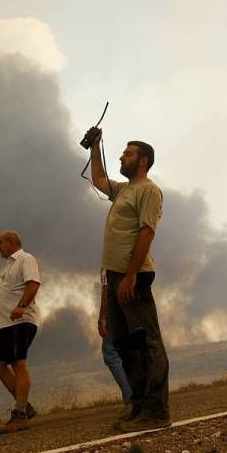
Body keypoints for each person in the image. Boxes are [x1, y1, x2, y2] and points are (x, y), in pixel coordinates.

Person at [89, 129, 170, 432]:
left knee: (148, 344)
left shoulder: (148, 190)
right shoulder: (123, 190)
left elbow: (147, 232)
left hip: (133, 275)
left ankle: (157, 411)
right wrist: (96, 147)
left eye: (128, 153)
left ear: (143, 161)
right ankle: (137, 404)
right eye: (122, 152)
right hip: (115, 276)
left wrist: (132, 274)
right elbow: (98, 180)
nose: (122, 156)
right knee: (125, 345)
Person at [0, 230, 41, 434]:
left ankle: (20, 415)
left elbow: (33, 284)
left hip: (20, 321)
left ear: (11, 242)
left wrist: (21, 306)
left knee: (18, 363)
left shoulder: (26, 258)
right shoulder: (10, 265)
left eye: (0, 242)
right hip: (5, 323)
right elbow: (8, 293)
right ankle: (24, 405)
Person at [97, 275, 133, 408]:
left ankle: (131, 400)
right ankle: (143, 397)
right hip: (135, 305)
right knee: (133, 350)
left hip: (117, 308)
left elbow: (106, 287)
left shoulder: (108, 259)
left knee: (111, 354)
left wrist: (102, 317)